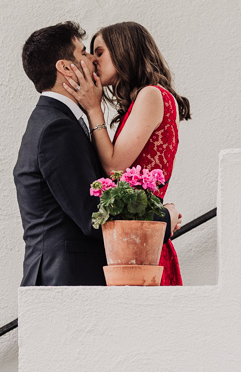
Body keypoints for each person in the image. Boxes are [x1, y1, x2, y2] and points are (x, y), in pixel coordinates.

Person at [15, 21, 177, 286]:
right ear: (66, 67)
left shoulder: (57, 121)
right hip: (65, 280)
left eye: (97, 52)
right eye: (84, 52)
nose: (92, 59)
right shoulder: (57, 127)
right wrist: (164, 218)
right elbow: (93, 215)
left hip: (71, 278)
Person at [64, 21, 191, 286]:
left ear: (124, 50)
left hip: (142, 247)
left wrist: (94, 109)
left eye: (100, 52)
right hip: (139, 242)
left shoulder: (151, 95)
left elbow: (114, 166)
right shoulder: (145, 98)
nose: (94, 61)